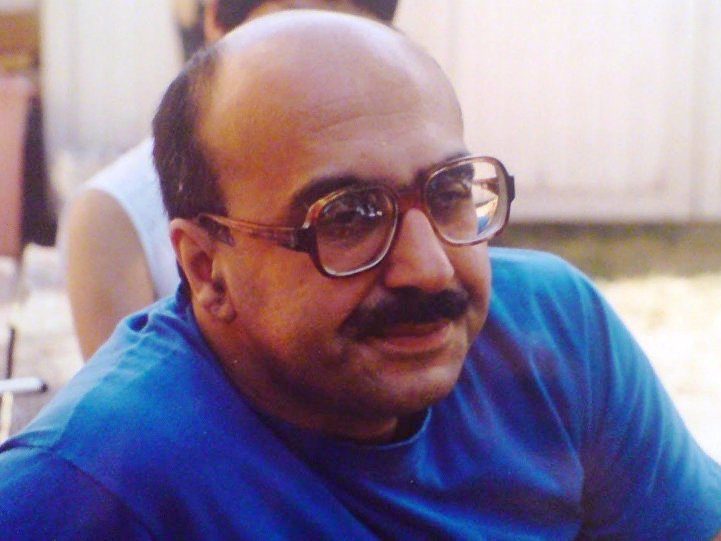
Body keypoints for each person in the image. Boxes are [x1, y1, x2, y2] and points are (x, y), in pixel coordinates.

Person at [3, 11, 721, 539]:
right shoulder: (89, 487)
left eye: (448, 191)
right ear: (205, 267)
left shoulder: (553, 333)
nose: (428, 267)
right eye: (347, 216)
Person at [62, 0, 399, 360]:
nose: (321, 64)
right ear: (217, 23)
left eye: (352, 37)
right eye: (290, 28)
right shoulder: (115, 210)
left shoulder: (405, 176)